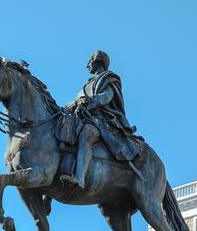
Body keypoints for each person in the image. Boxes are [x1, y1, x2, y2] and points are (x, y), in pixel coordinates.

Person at [60, 50, 140, 188]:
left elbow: (105, 98)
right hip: (83, 118)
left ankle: (79, 178)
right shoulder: (87, 85)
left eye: (90, 61)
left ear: (98, 61)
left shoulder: (108, 80)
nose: (87, 65)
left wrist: (82, 102)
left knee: (85, 136)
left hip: (102, 121)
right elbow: (80, 102)